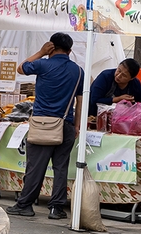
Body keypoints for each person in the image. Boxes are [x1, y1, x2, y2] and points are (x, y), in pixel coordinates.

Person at [7, 34, 84, 220]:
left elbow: (21, 68)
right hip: (66, 124)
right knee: (61, 167)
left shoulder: (42, 64)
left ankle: (25, 204)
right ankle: (56, 208)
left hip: (43, 123)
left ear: (51, 47)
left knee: (36, 166)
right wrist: (76, 126)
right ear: (70, 50)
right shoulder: (78, 71)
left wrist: (41, 52)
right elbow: (80, 101)